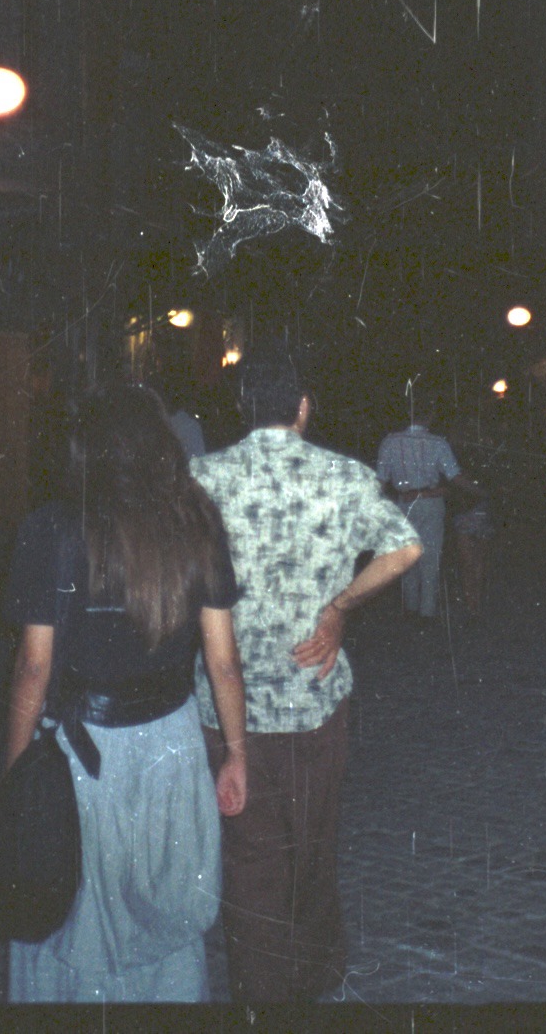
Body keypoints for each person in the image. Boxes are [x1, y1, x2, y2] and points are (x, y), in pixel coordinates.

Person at [192, 341, 422, 1001]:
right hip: (313, 698)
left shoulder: (201, 478)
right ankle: (314, 972)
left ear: (242, 407)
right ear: (302, 406)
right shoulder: (344, 475)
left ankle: (262, 987)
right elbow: (406, 546)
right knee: (313, 841)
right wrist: (340, 605)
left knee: (249, 855)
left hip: (225, 703)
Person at [3, 386, 247, 1003]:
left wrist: (13, 768)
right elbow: (222, 660)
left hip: (84, 757)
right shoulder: (196, 521)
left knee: (79, 918)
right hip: (171, 744)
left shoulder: (54, 528)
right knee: (163, 915)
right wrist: (236, 752)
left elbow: (35, 667)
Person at [376, 397, 484, 621]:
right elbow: (455, 476)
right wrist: (479, 489)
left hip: (402, 502)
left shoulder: (389, 442)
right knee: (430, 557)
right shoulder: (437, 443)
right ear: (430, 416)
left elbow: (381, 480)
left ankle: (410, 609)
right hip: (430, 503)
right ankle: (427, 613)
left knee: (406, 556)